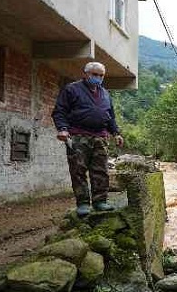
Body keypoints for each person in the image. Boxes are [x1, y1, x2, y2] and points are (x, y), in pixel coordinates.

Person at [52, 62, 124, 216]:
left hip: (100, 137)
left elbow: (110, 116)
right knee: (78, 170)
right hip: (78, 136)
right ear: (85, 74)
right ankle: (83, 203)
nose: (97, 78)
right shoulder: (72, 89)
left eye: (101, 75)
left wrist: (116, 133)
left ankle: (100, 201)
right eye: (94, 74)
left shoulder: (105, 93)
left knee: (101, 171)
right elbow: (59, 111)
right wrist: (63, 129)